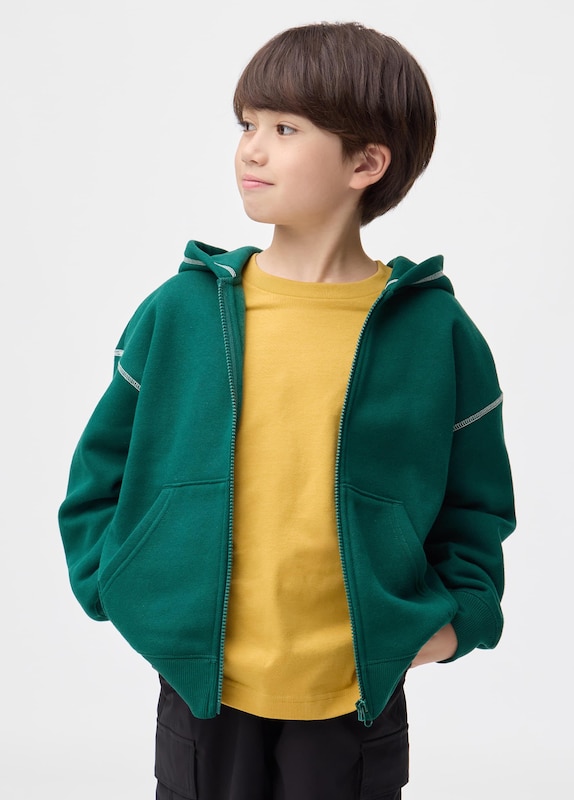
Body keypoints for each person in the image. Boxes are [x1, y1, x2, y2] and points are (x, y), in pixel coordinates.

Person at [58, 21, 516, 800]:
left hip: (353, 692)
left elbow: (477, 506)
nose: (252, 150)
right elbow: (101, 471)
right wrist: (118, 586)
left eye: (285, 129)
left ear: (366, 163)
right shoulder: (182, 312)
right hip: (204, 686)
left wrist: (454, 622)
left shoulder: (437, 334)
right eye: (247, 124)